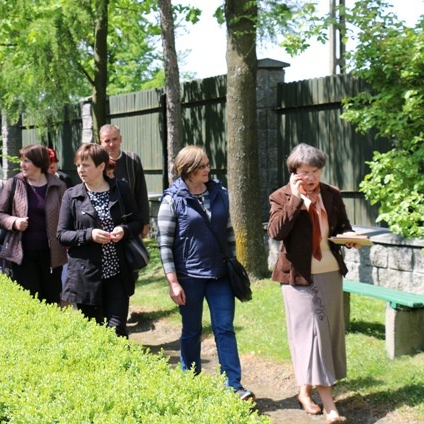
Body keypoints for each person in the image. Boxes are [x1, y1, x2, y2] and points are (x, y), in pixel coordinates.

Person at [268, 143, 361, 424]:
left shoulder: (331, 194)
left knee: (327, 333)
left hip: (329, 272)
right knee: (313, 335)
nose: (310, 177)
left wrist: (350, 237)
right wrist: (296, 200)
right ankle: (330, 404)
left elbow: (342, 226)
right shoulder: (280, 196)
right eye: (304, 172)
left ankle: (304, 392)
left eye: (315, 171)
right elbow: (276, 232)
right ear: (293, 173)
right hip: (297, 277)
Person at [156, 145, 254, 401]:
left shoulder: (220, 193)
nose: (207, 170)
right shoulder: (172, 199)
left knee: (225, 329)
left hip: (220, 276)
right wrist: (173, 282)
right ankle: (191, 383)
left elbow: (229, 232)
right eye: (202, 167)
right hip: (189, 277)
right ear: (187, 170)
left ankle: (233, 385)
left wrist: (232, 263)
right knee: (192, 330)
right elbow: (164, 244)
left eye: (208, 165)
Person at [57, 144, 143, 337]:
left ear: (102, 166)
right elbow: (62, 234)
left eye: (86, 165)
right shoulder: (72, 195)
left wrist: (124, 229)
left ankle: (122, 366)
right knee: (94, 333)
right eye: (78, 164)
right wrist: (90, 235)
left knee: (117, 329)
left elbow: (138, 221)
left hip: (117, 274)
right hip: (85, 275)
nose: (81, 169)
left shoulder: (121, 189)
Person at [0, 144, 67, 305]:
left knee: (51, 301)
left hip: (52, 256)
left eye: (27, 161)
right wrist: (14, 222)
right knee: (29, 301)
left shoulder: (58, 186)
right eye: (21, 160)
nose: (22, 165)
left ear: (39, 162)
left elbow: (68, 217)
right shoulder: (14, 183)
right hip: (22, 255)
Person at [99, 124, 150, 238]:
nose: (111, 144)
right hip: (105, 226)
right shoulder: (97, 163)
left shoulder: (132, 160)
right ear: (101, 142)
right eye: (107, 141)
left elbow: (141, 192)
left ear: (120, 139)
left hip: (131, 223)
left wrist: (145, 222)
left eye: (115, 139)